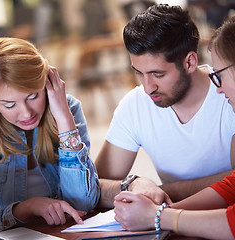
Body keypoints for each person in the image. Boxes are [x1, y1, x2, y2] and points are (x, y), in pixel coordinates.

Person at [0, 37, 100, 237]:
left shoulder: (67, 108)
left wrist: (64, 120)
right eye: (9, 105)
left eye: (33, 96)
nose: (27, 113)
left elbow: (84, 203)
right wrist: (24, 209)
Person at [95, 4, 235, 208]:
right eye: (139, 72)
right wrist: (133, 185)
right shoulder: (135, 105)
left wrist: (168, 191)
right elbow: (94, 187)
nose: (148, 87)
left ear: (189, 62)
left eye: (158, 74)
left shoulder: (229, 94)